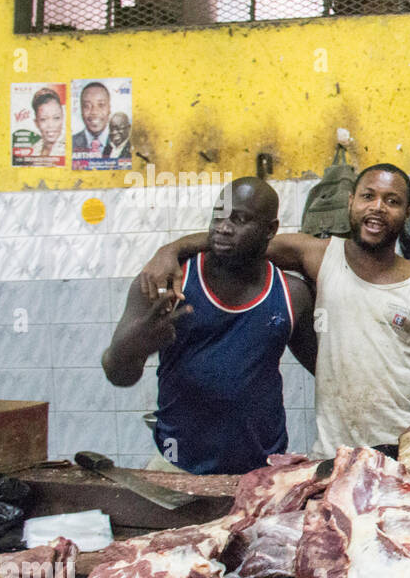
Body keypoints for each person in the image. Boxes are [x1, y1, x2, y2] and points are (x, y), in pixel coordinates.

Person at [140, 163, 410, 458]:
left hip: (408, 449)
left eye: (392, 201)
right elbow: (240, 238)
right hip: (335, 454)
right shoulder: (318, 256)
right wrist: (172, 249)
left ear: (408, 214)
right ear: (351, 202)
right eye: (368, 196)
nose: (378, 207)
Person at [103, 177, 317, 474]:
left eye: (240, 219)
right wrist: (133, 347)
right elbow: (117, 374)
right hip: (177, 467)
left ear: (270, 230)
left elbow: (326, 370)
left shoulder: (292, 294)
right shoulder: (169, 282)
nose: (223, 227)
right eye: (219, 215)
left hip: (264, 473)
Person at [72, 81, 111, 154]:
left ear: (109, 109)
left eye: (101, 105)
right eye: (87, 106)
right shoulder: (70, 142)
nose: (94, 112)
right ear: (81, 109)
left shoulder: (122, 143)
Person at [29, 88, 66, 158]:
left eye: (56, 118)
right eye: (43, 119)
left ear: (62, 118)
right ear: (36, 123)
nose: (51, 125)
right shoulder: (33, 149)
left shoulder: (70, 146)